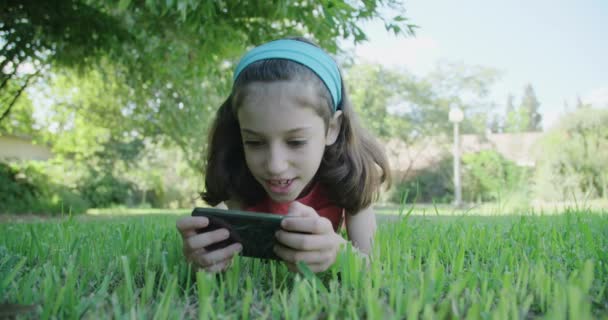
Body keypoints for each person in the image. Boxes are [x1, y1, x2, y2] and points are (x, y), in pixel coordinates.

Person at [176, 37, 391, 274]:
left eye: (296, 142)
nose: (275, 166)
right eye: (254, 142)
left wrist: (339, 254)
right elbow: (213, 256)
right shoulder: (236, 175)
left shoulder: (352, 178)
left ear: (331, 129)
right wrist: (201, 259)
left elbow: (371, 268)